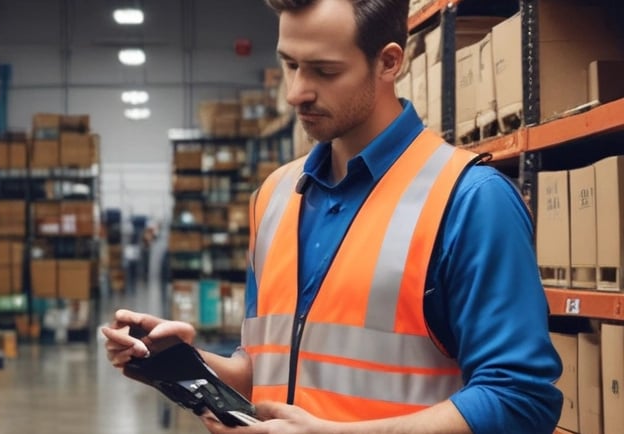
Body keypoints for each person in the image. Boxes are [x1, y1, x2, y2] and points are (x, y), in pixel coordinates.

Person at [102, 0, 563, 433]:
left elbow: (521, 400)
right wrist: (186, 362)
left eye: (324, 70)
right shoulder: (274, 198)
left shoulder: (470, 201)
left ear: (388, 62)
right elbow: (265, 370)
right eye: (290, 64)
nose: (295, 93)